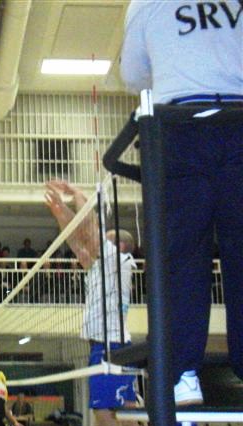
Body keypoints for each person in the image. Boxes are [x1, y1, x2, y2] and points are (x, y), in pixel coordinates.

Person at [120, 0, 243, 404]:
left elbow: (132, 75)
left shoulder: (146, 4)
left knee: (182, 256)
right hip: (238, 121)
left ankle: (182, 372)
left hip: (180, 128)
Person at [45, 180, 143, 426]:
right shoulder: (103, 267)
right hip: (117, 346)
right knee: (126, 420)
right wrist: (60, 212)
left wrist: (76, 195)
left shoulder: (116, 259)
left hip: (108, 349)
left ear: (118, 246)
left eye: (105, 240)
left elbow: (88, 230)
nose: (95, 244)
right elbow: (78, 241)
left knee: (108, 420)